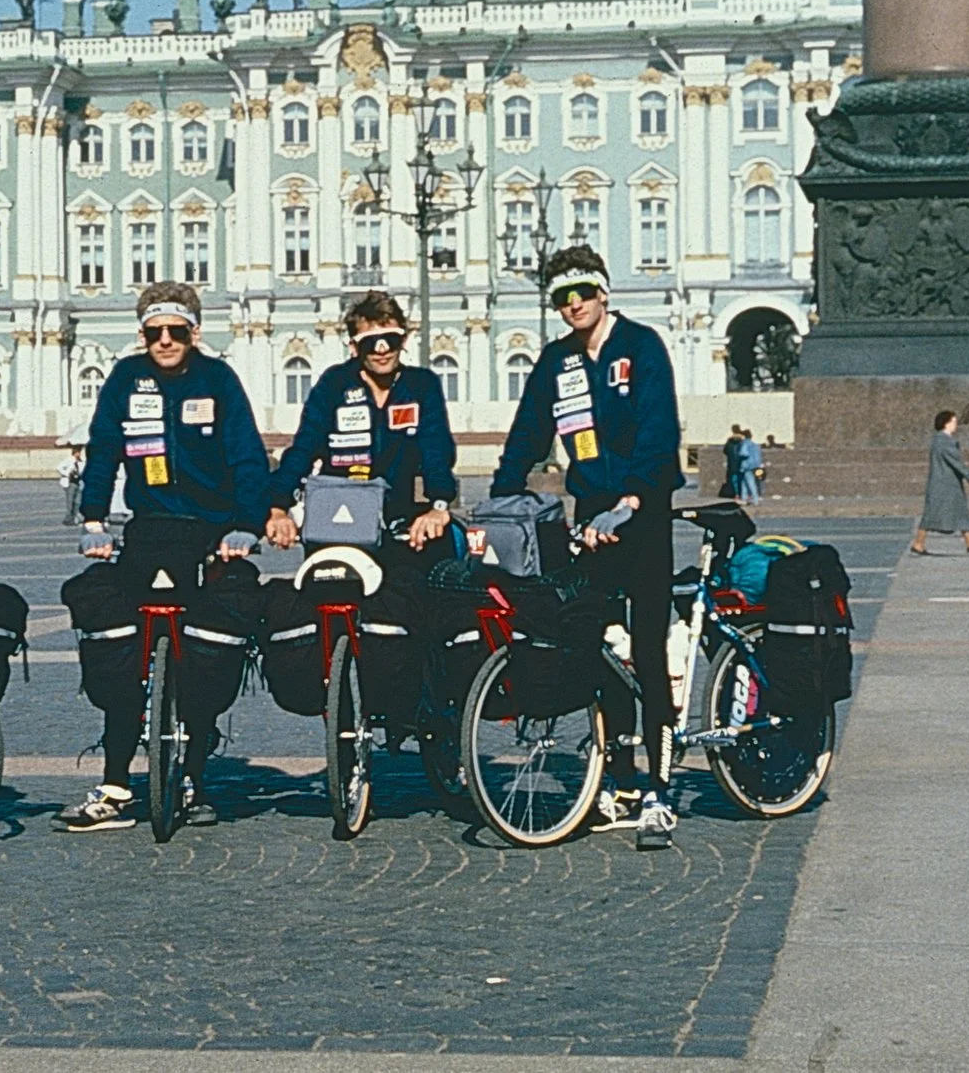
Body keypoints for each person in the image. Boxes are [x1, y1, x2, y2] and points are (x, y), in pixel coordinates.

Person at [57, 281, 270, 833]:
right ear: (143, 334)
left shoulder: (218, 379)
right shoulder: (127, 378)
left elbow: (246, 453)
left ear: (194, 333)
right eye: (155, 332)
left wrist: (247, 527)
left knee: (206, 649)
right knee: (121, 647)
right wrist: (94, 521)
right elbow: (104, 448)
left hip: (212, 532)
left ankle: (194, 775)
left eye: (177, 331)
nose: (166, 340)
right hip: (150, 529)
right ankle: (114, 784)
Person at [490, 244, 684, 851]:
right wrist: (502, 497)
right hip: (589, 518)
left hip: (641, 515)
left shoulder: (641, 347)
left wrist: (629, 501)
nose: (573, 305)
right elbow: (529, 433)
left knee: (647, 647)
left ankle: (659, 786)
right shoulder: (557, 361)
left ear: (604, 293)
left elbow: (657, 431)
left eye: (582, 294)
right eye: (561, 298)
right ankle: (618, 775)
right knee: (594, 645)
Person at [264, 290, 458, 558]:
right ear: (354, 347)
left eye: (390, 340)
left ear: (404, 340)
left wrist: (438, 507)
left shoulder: (421, 385)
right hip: (338, 519)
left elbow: (436, 449)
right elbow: (304, 448)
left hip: (397, 519)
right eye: (370, 343)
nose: (382, 351)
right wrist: (278, 508)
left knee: (411, 584)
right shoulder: (334, 384)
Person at [912, 410, 969, 555]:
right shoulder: (944, 441)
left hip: (944, 484)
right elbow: (956, 462)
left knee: (941, 513)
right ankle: (919, 544)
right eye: (954, 422)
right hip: (946, 485)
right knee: (941, 514)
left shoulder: (939, 440)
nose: (956, 425)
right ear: (946, 423)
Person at [57, 445, 84, 525]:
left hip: (78, 482)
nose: (79, 454)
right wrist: (67, 473)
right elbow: (59, 467)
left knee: (77, 502)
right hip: (70, 482)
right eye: (78, 452)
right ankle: (68, 518)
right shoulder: (69, 460)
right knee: (70, 501)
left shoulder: (80, 461)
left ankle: (75, 517)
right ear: (75, 453)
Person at [737, 428, 763, 506]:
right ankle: (744, 498)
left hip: (746, 465)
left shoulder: (744, 444)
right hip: (755, 465)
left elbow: (743, 453)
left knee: (749, 482)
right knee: (744, 482)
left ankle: (755, 499)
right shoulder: (755, 445)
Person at [721, 427, 745, 501]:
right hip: (740, 464)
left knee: (732, 479)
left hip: (731, 463)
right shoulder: (742, 441)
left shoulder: (729, 441)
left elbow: (725, 451)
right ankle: (741, 494)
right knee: (741, 479)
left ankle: (735, 493)